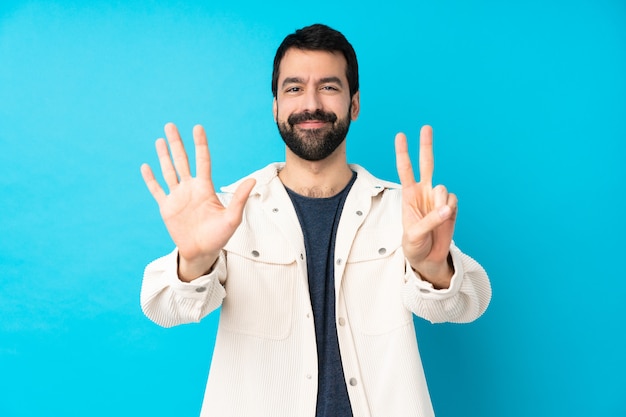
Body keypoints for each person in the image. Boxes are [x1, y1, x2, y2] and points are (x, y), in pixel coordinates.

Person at [140, 23, 491, 417]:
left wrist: (432, 270)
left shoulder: (403, 210)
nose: (311, 104)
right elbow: (164, 307)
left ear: (354, 104)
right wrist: (194, 261)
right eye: (293, 88)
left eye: (328, 86)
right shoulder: (228, 212)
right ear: (275, 105)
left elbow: (465, 305)